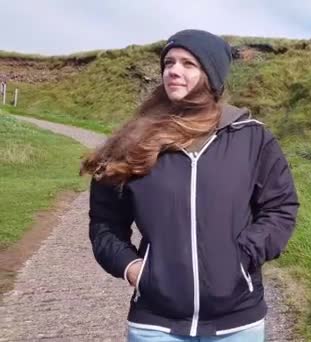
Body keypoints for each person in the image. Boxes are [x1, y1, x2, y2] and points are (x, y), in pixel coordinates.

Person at [80, 29, 299, 342]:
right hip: (156, 324)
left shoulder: (252, 138)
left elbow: (281, 207)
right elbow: (105, 222)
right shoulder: (135, 142)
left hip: (237, 324)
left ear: (211, 75)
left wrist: (243, 256)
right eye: (169, 62)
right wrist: (132, 267)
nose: (173, 70)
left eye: (188, 64)